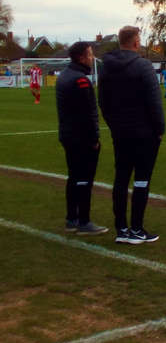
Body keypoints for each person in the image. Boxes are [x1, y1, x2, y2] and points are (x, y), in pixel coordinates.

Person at [99, 26, 165, 245]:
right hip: (144, 133)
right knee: (141, 180)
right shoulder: (143, 66)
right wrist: (159, 129)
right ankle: (136, 229)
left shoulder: (106, 67)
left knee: (121, 178)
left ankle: (122, 228)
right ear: (135, 42)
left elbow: (103, 102)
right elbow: (154, 102)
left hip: (121, 133)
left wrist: (114, 125)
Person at [55, 42, 108, 236]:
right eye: (90, 55)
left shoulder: (64, 76)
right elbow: (87, 113)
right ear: (81, 57)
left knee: (74, 177)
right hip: (81, 138)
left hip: (68, 135)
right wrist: (94, 138)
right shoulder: (80, 81)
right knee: (84, 178)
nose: (92, 58)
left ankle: (71, 218)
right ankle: (83, 221)